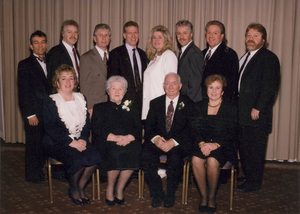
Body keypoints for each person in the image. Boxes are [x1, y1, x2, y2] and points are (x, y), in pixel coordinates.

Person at [43, 64, 102, 206]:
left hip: (79, 140)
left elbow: (87, 122)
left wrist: (82, 138)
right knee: (77, 159)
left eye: (71, 78)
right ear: (57, 83)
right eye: (63, 79)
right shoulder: (51, 101)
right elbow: (51, 128)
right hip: (58, 142)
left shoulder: (81, 98)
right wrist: (71, 142)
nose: (68, 82)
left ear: (75, 82)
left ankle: (80, 186)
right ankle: (74, 188)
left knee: (95, 156)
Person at [237, 23, 280, 193]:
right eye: (248, 34)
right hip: (242, 114)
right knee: (245, 148)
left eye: (255, 35)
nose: (250, 38)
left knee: (255, 150)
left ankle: (253, 182)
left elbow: (270, 86)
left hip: (256, 114)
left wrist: (258, 107)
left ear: (263, 39)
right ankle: (249, 176)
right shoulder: (245, 57)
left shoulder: (269, 58)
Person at [141, 73, 193, 208]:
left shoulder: (189, 103)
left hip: (178, 143)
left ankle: (170, 194)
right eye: (167, 83)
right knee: (145, 157)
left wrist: (173, 142)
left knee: (175, 159)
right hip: (158, 141)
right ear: (163, 86)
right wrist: (156, 139)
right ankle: (157, 193)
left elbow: (191, 129)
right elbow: (148, 126)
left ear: (180, 86)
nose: (171, 86)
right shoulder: (155, 103)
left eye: (174, 83)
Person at [91, 76, 142, 206]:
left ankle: (120, 188)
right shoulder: (99, 108)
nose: (117, 91)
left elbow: (138, 128)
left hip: (128, 141)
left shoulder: (132, 107)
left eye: (120, 89)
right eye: (113, 88)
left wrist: (129, 138)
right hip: (107, 141)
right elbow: (96, 130)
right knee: (115, 152)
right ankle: (110, 187)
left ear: (125, 92)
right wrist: (115, 138)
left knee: (134, 151)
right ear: (108, 91)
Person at [191, 74, 238, 213]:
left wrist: (215, 145)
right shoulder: (199, 106)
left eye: (218, 88)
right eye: (211, 87)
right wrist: (201, 144)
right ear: (206, 89)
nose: (214, 91)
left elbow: (232, 132)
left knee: (212, 160)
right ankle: (203, 196)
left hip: (223, 145)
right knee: (195, 159)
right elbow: (194, 129)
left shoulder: (230, 107)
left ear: (223, 91)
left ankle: (211, 197)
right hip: (202, 144)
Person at [18, 30, 50, 184]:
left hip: (48, 112)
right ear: (31, 46)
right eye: (36, 42)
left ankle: (41, 170)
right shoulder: (24, 64)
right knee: (33, 145)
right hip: (34, 113)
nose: (40, 45)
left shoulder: (50, 62)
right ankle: (32, 175)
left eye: (43, 42)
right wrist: (30, 114)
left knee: (44, 145)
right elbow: (23, 92)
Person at [108, 21, 148, 115]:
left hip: (142, 102)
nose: (133, 36)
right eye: (130, 33)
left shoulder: (143, 54)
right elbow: (113, 80)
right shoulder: (116, 53)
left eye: (135, 33)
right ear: (124, 35)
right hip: (123, 102)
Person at [141, 25, 178, 120]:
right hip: (151, 105)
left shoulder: (168, 55)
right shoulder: (155, 57)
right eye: (154, 37)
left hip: (160, 107)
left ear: (166, 40)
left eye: (160, 37)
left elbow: (171, 85)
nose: (156, 40)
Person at [202, 20, 239, 101]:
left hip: (219, 103)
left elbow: (231, 84)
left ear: (222, 36)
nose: (211, 36)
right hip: (202, 101)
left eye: (215, 33)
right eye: (209, 32)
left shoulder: (230, 54)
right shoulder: (202, 53)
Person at [80, 23, 111, 118]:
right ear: (95, 38)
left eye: (106, 35)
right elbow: (84, 85)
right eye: (100, 35)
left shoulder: (114, 56)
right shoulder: (86, 57)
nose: (104, 38)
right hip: (95, 105)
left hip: (110, 104)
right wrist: (89, 106)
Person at [176, 20, 204, 103]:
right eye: (178, 33)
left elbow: (195, 84)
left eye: (185, 33)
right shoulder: (184, 51)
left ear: (191, 34)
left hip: (190, 102)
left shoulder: (195, 53)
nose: (181, 37)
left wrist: (184, 103)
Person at [47, 20, 80, 90]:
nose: (73, 35)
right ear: (63, 34)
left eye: (75, 32)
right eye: (69, 32)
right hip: (62, 96)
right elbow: (51, 79)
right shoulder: (54, 52)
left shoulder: (76, 52)